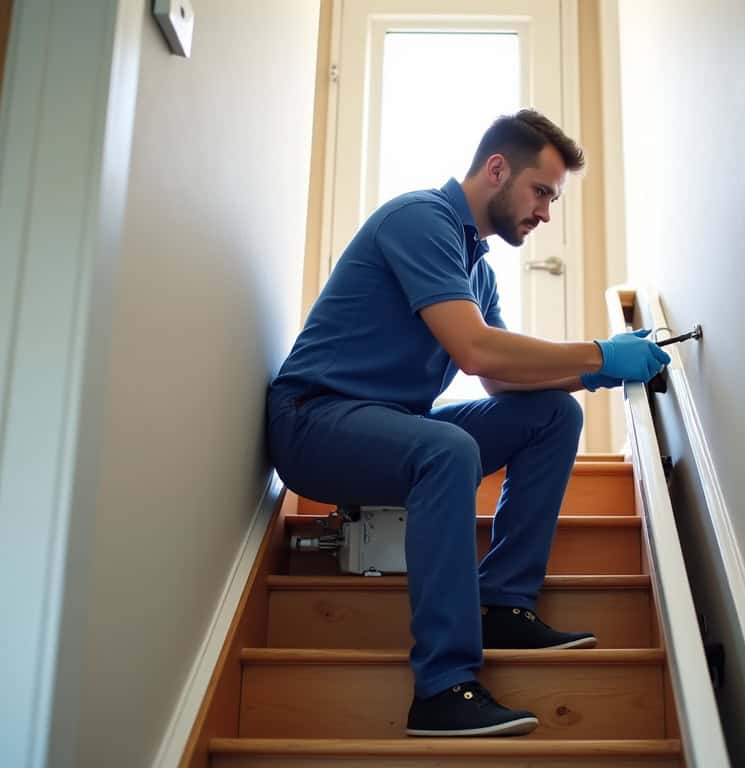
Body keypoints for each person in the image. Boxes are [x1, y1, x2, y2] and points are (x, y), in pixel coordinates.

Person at [264, 109, 670, 737]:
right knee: (448, 449)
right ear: (497, 169)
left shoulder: (476, 267)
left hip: (389, 425)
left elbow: (502, 381)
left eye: (553, 199)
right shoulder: (420, 219)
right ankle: (442, 687)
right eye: (541, 192)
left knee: (553, 414)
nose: (545, 213)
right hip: (315, 423)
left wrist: (597, 372)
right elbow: (476, 351)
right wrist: (598, 355)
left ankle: (503, 604)